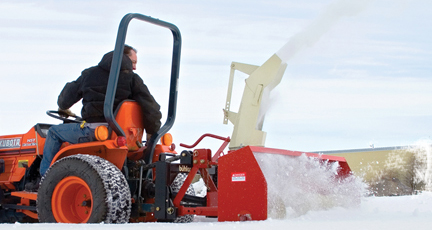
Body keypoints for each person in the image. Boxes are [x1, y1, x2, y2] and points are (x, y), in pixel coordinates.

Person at [39, 45, 162, 177]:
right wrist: (152, 132)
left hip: (93, 132)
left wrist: (63, 107)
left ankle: (45, 178)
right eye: (133, 62)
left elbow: (64, 101)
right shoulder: (132, 79)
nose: (134, 67)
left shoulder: (89, 74)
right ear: (123, 58)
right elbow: (151, 107)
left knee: (53, 132)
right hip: (123, 135)